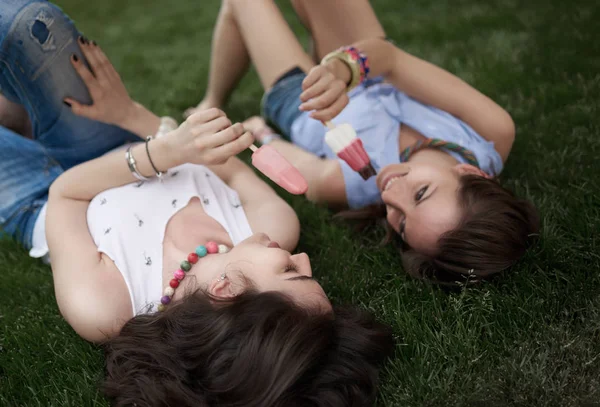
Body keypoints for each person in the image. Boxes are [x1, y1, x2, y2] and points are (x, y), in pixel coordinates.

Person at [0, 1, 393, 405]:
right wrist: (133, 116)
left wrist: (165, 153)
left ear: (225, 290)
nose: (305, 257)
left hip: (42, 200)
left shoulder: (106, 308)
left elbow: (66, 193)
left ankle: (22, 118)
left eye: (293, 272)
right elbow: (223, 163)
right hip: (119, 143)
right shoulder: (274, 224)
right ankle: (26, 116)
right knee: (21, 25)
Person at [185, 0, 540, 285]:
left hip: (302, 99)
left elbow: (301, 168)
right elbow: (393, 61)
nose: (389, 194)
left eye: (399, 222)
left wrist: (260, 131)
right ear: (469, 171)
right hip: (369, 67)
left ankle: (210, 98)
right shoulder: (491, 131)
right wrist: (341, 71)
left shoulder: (353, 182)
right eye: (420, 194)